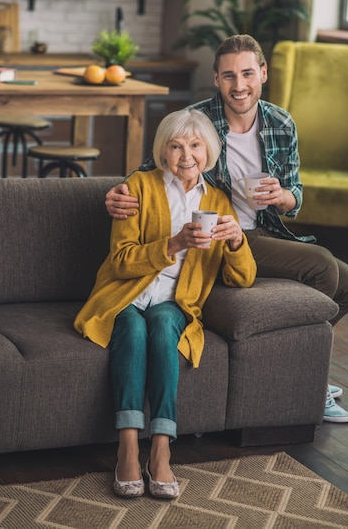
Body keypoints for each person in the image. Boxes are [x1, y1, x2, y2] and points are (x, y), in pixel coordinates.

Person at [105, 34, 348, 425]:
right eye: (229, 76)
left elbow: (296, 191)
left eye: (247, 74)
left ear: (262, 74)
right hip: (228, 235)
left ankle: (306, 370)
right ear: (216, 79)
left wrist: (283, 197)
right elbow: (153, 167)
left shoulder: (280, 122)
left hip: (269, 230)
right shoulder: (198, 120)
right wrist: (115, 193)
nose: (239, 85)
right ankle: (309, 380)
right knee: (324, 267)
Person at [74, 108, 256, 499]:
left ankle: (160, 448)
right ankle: (127, 446)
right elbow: (121, 260)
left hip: (176, 301)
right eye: (175, 146)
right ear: (163, 151)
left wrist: (238, 241)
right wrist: (174, 244)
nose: (186, 155)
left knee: (161, 326)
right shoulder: (138, 186)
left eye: (195, 145)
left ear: (209, 150)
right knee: (134, 326)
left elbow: (242, 278)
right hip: (126, 294)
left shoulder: (219, 201)